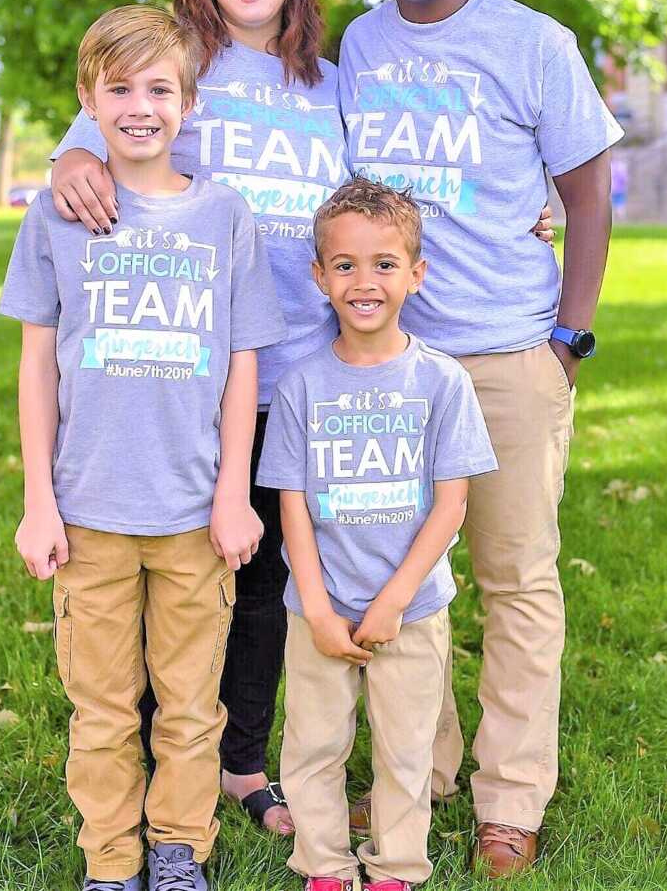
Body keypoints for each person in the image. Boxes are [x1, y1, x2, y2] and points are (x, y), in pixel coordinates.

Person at [47, 0, 555, 839]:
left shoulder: (332, 85)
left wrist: (519, 206)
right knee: (180, 576)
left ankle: (241, 760)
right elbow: (105, 130)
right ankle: (156, 765)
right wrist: (74, 156)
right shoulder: (180, 63)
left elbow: (404, 180)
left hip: (302, 381)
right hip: (189, 382)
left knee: (269, 585)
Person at [338, 0, 622, 877]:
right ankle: (422, 773)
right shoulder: (358, 48)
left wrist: (568, 337)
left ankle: (511, 797)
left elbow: (587, 193)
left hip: (509, 352)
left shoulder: (533, 42)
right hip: (396, 359)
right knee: (406, 584)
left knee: (513, 580)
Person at [0, 4, 284, 891]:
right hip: (88, 515)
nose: (139, 105)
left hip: (196, 515)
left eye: (159, 87)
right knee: (103, 708)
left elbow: (244, 366)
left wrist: (235, 492)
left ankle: (178, 848)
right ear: (89, 99)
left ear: (189, 103)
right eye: (118, 87)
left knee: (191, 705)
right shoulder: (56, 218)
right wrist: (40, 504)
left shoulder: (223, 217)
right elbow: (37, 368)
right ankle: (112, 859)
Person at [257, 177, 498, 891]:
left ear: (416, 275)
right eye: (345, 265)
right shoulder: (301, 386)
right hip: (320, 611)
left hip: (412, 610)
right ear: (319, 276)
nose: (365, 282)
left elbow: (450, 505)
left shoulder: (442, 382)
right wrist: (320, 605)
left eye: (385, 264)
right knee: (313, 744)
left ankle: (395, 868)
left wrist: (395, 598)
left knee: (405, 749)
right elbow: (292, 506)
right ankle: (325, 866)